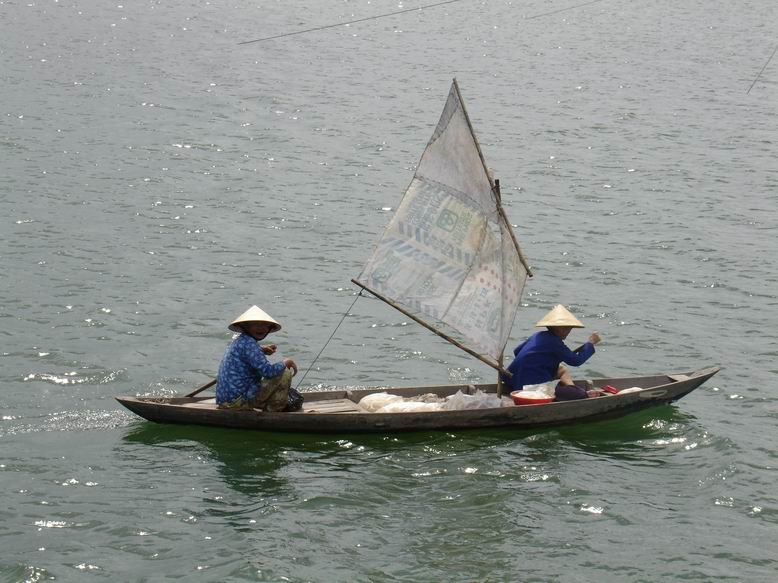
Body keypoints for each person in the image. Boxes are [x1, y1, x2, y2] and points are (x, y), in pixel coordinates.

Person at [502, 304, 602, 401]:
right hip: (530, 387)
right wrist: (591, 343)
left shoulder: (538, 335)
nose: (569, 330)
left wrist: (545, 362)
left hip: (514, 381)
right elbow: (576, 361)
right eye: (567, 327)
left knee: (561, 368)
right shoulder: (555, 342)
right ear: (557, 327)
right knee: (577, 394)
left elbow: (517, 351)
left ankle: (572, 389)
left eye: (570, 327)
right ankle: (578, 394)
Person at [216, 305, 298, 411]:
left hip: (226, 400)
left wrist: (260, 350)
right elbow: (268, 372)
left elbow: (245, 355)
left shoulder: (239, 341)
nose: (261, 328)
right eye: (256, 324)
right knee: (284, 373)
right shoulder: (250, 345)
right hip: (239, 402)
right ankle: (274, 409)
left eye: (265, 325)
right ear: (245, 327)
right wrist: (286, 362)